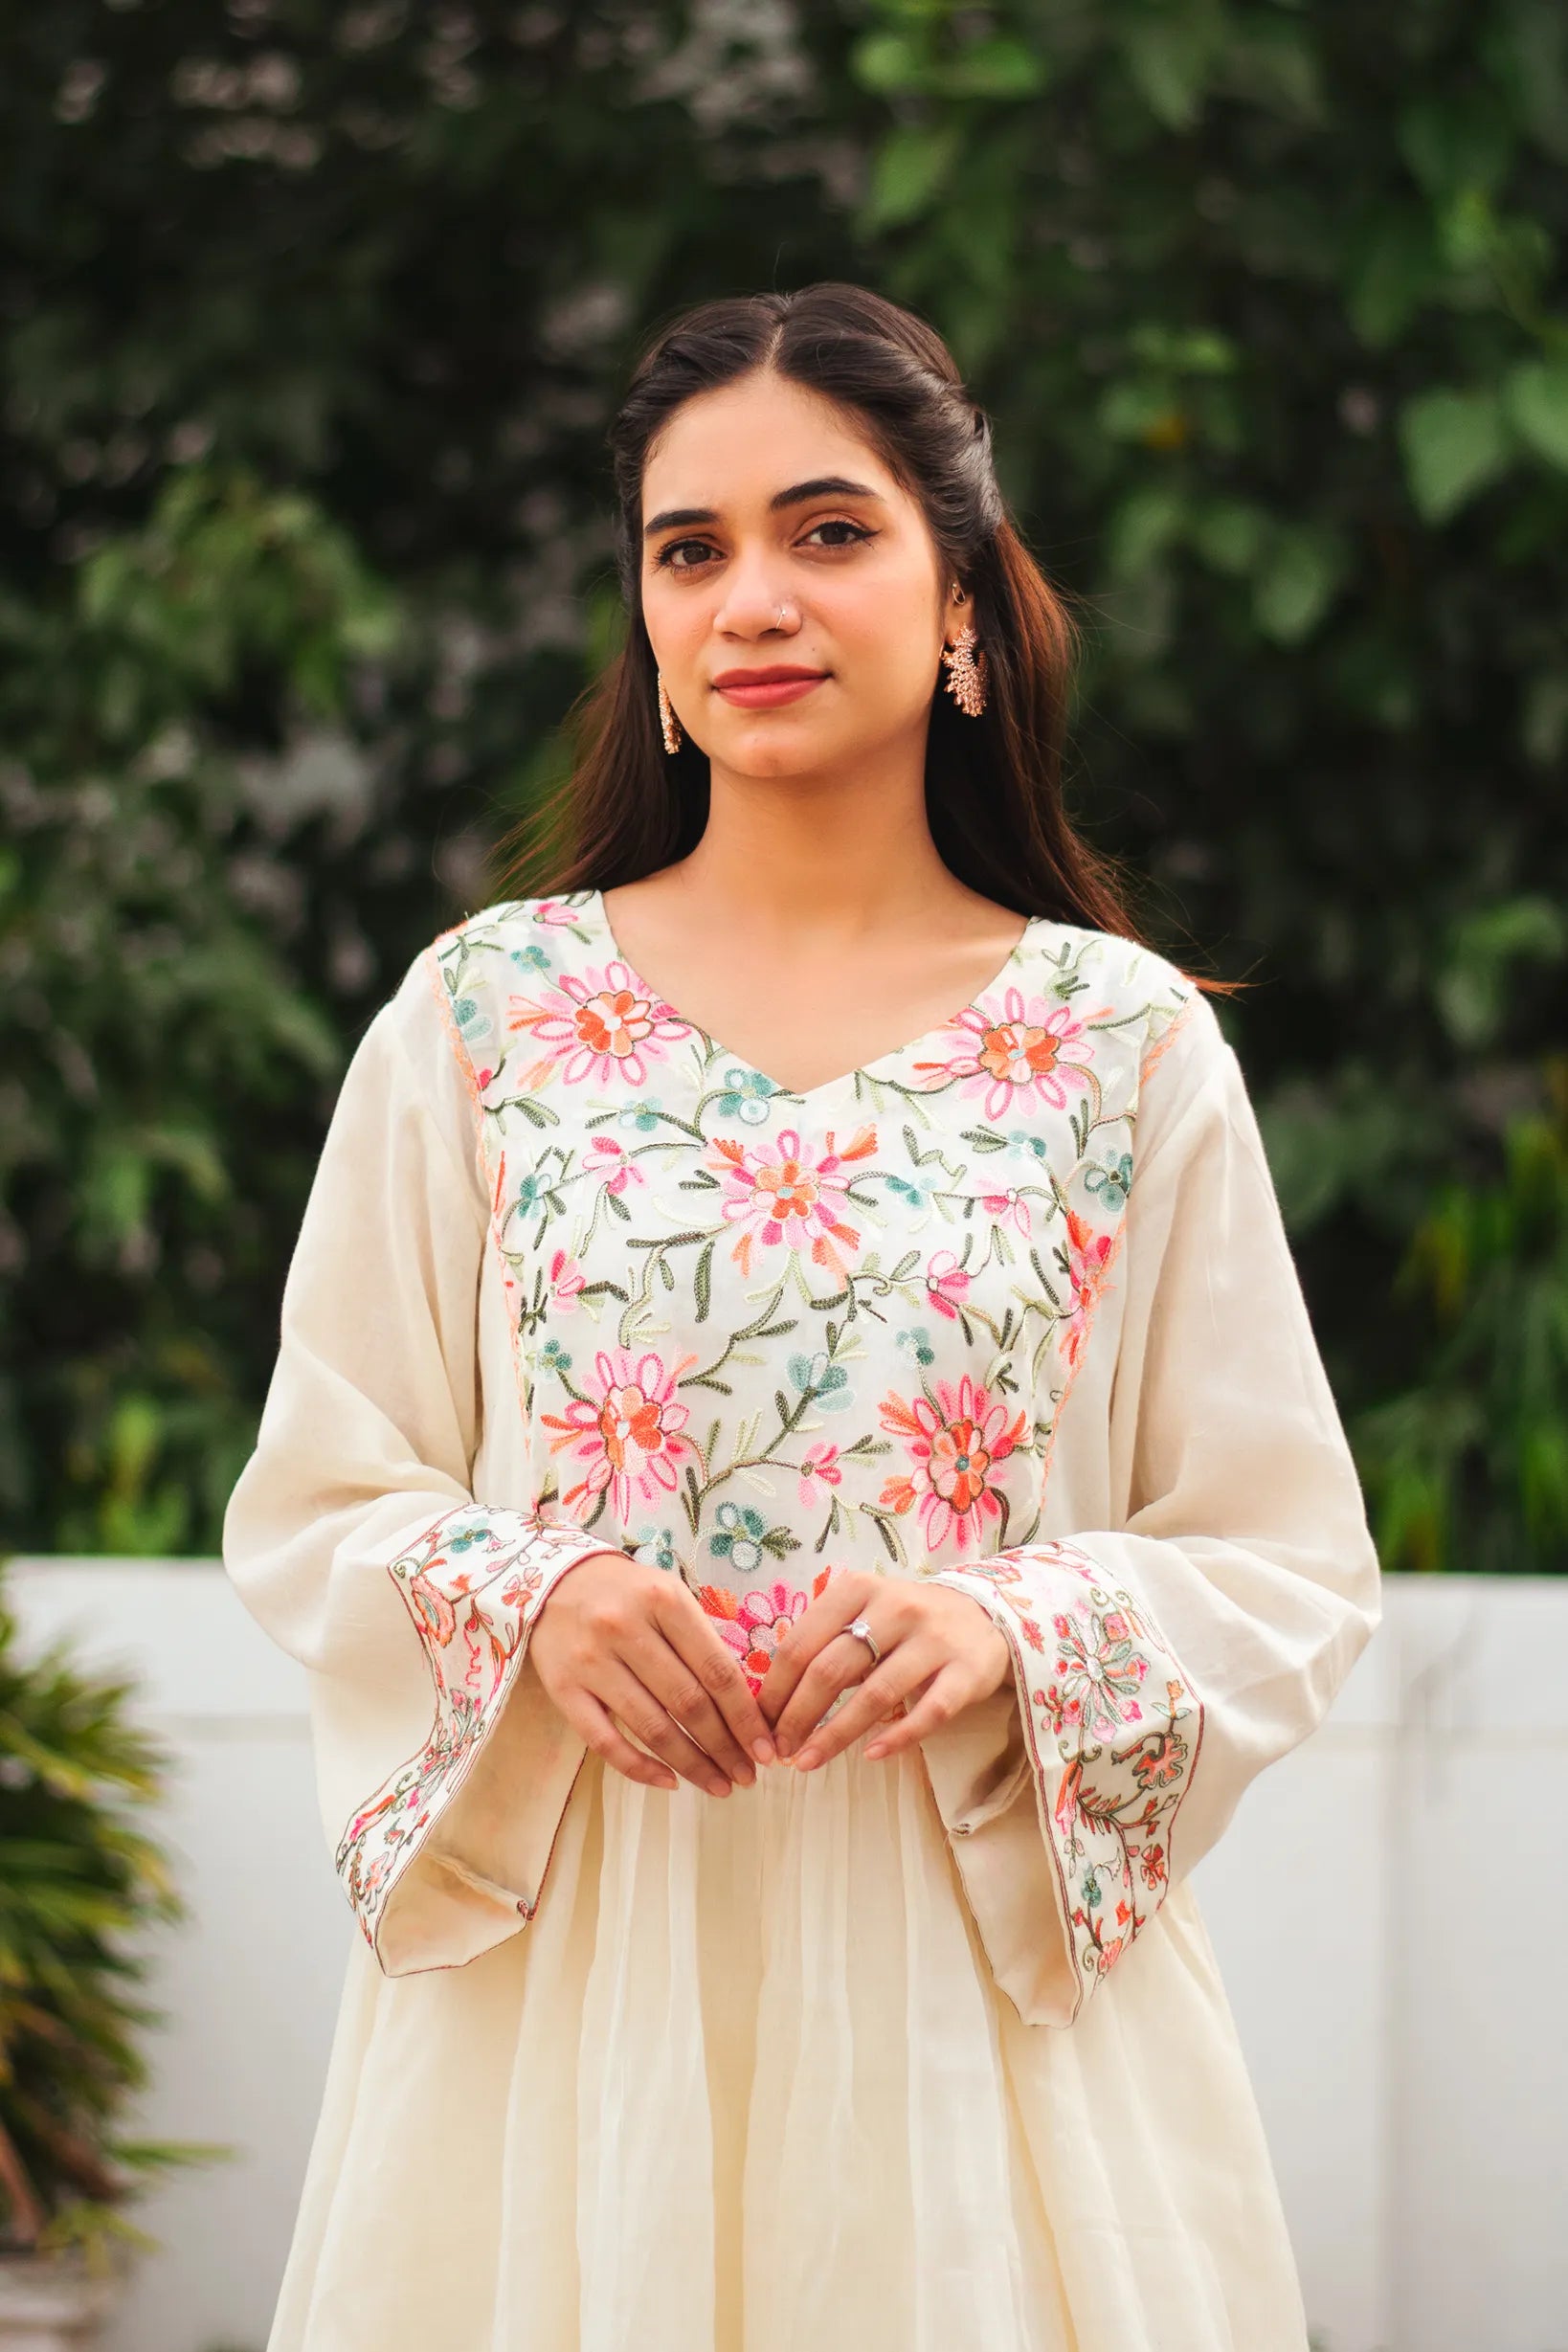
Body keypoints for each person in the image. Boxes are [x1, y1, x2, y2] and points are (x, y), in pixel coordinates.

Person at [223, 281, 1381, 2352]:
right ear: (651, 633)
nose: (753, 593)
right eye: (692, 548)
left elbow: (1286, 1559)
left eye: (828, 529)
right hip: (568, 2011)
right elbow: (318, 1495)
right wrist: (538, 1596)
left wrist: (1006, 1621)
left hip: (976, 2009)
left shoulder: (1116, 1047)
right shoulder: (486, 1018)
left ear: (961, 604)